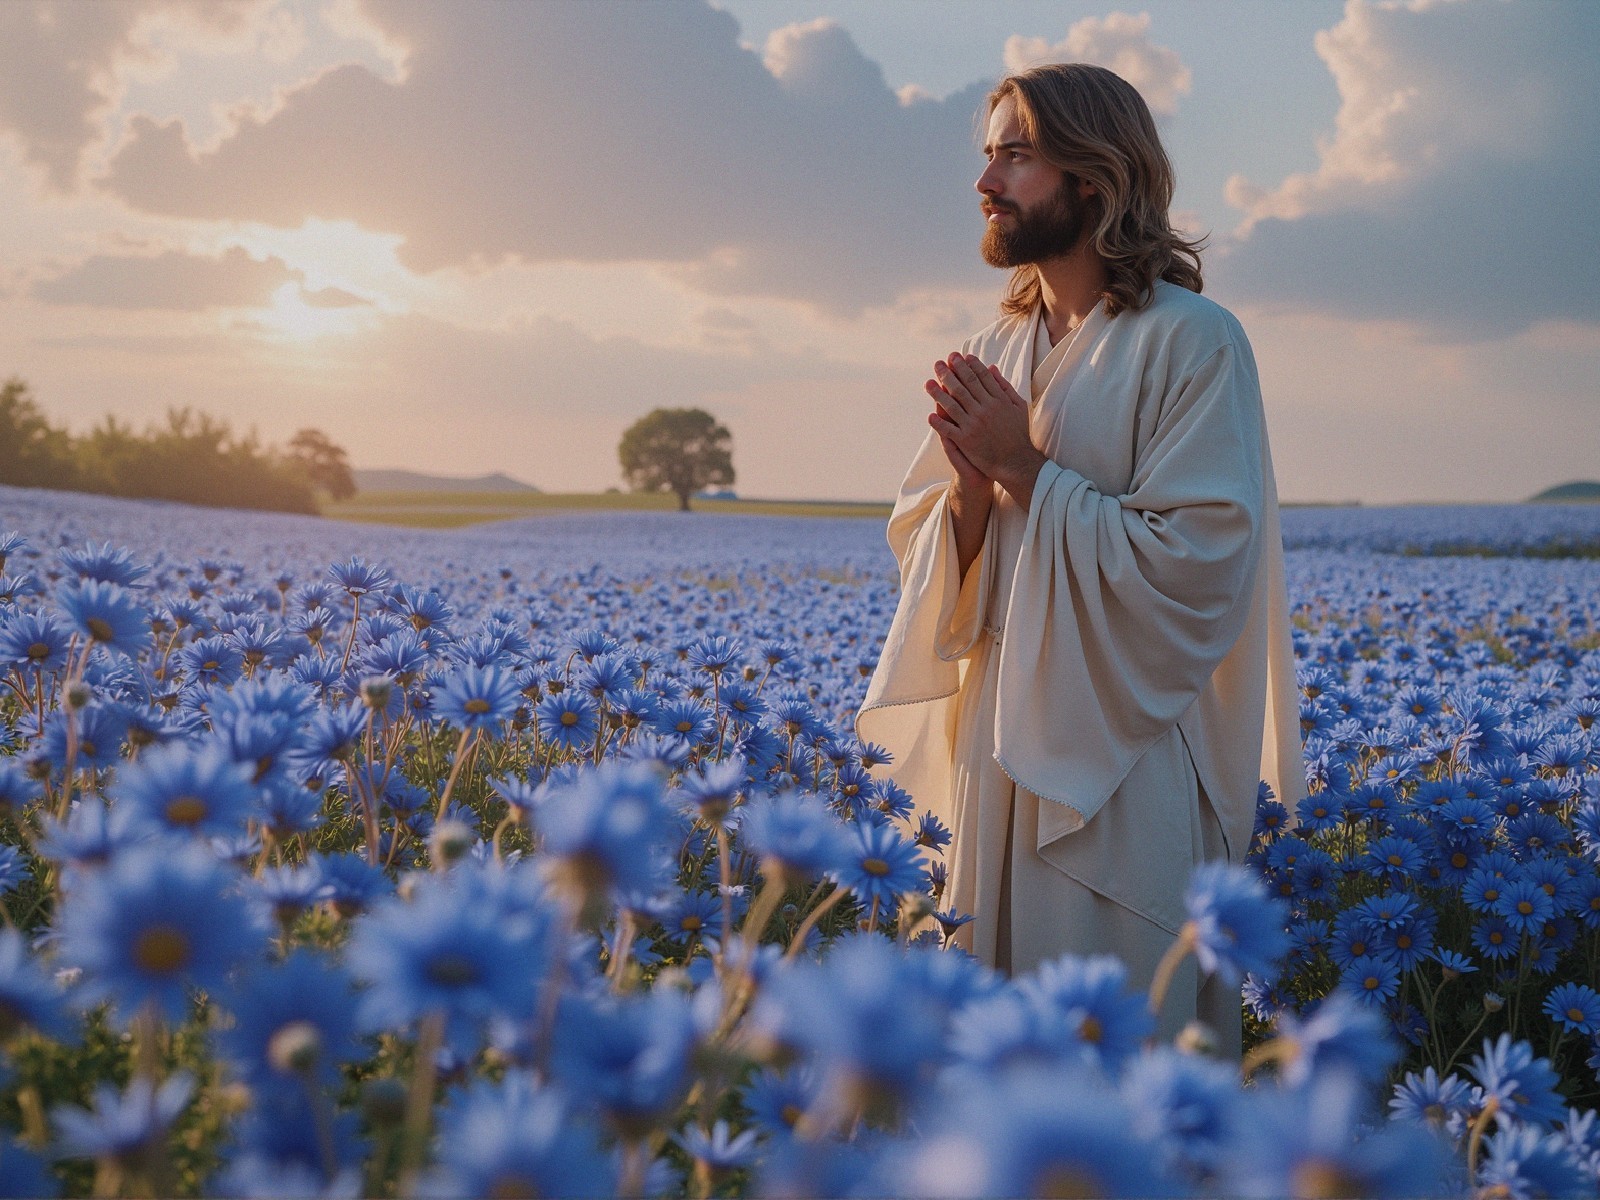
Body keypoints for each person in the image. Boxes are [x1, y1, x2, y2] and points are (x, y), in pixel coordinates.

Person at [856, 62, 1304, 1053]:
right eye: (987, 156)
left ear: (1093, 176)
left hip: (1120, 758)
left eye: (1014, 155)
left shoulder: (1194, 343)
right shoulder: (993, 344)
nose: (986, 181)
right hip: (995, 748)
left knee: (1121, 1055)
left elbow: (1196, 565)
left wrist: (1023, 467)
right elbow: (930, 555)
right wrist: (971, 497)